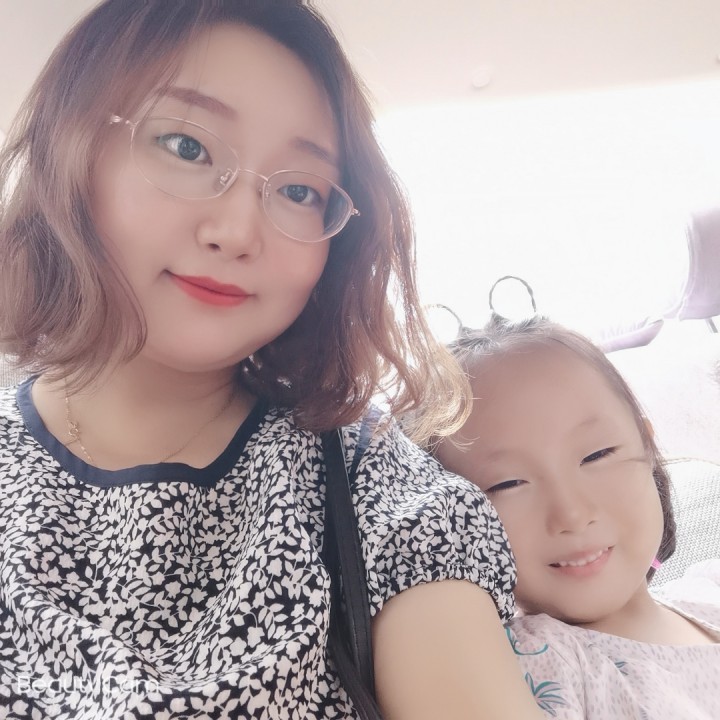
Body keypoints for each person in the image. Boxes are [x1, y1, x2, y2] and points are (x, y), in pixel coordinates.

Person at [0, 2, 547, 718]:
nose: (236, 232)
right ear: (71, 148)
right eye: (186, 147)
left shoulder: (372, 483)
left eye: (298, 190)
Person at [435, 315, 720, 719]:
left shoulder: (709, 590)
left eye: (596, 455)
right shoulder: (539, 663)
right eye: (508, 483)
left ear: (647, 445)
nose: (572, 513)